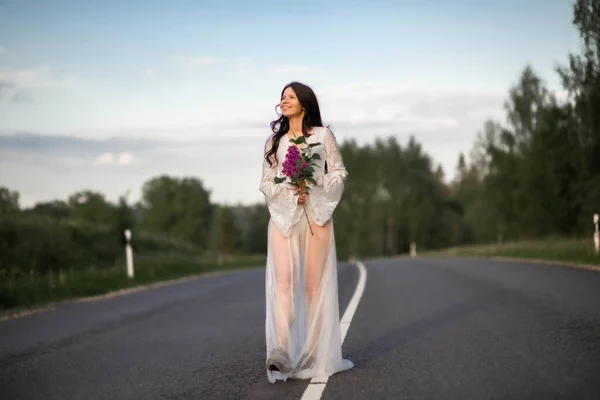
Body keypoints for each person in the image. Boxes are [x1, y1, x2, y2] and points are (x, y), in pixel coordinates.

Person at [259, 81, 353, 383]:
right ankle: (281, 352)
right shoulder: (274, 143)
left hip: (316, 215)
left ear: (304, 103)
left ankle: (314, 353)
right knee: (284, 284)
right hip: (284, 217)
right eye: (282, 97)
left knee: (314, 288)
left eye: (291, 96)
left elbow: (338, 172)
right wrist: (289, 191)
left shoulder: (323, 136)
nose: (285, 101)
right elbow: (266, 183)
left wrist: (313, 186)